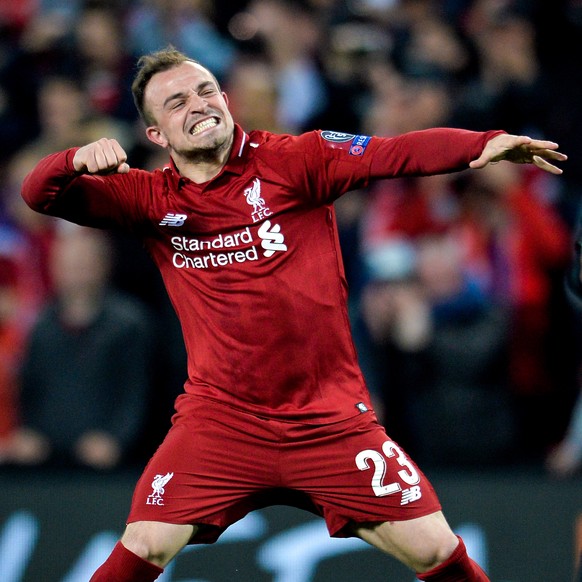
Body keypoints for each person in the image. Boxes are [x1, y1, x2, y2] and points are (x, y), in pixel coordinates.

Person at [20, 47, 567, 581]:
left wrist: (486, 142)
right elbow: (38, 193)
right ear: (156, 135)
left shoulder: (294, 159)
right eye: (177, 101)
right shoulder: (147, 199)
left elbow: (395, 152)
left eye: (206, 89)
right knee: (144, 543)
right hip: (221, 423)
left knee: (434, 550)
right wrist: (72, 159)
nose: (199, 103)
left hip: (328, 423)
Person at [6, 225, 154, 470]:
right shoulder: (41, 326)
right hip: (45, 462)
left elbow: (139, 393)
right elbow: (29, 389)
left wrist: (117, 439)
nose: (76, 273)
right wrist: (26, 432)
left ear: (104, 265)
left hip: (114, 466)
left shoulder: (131, 324)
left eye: (83, 264)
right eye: (68, 265)